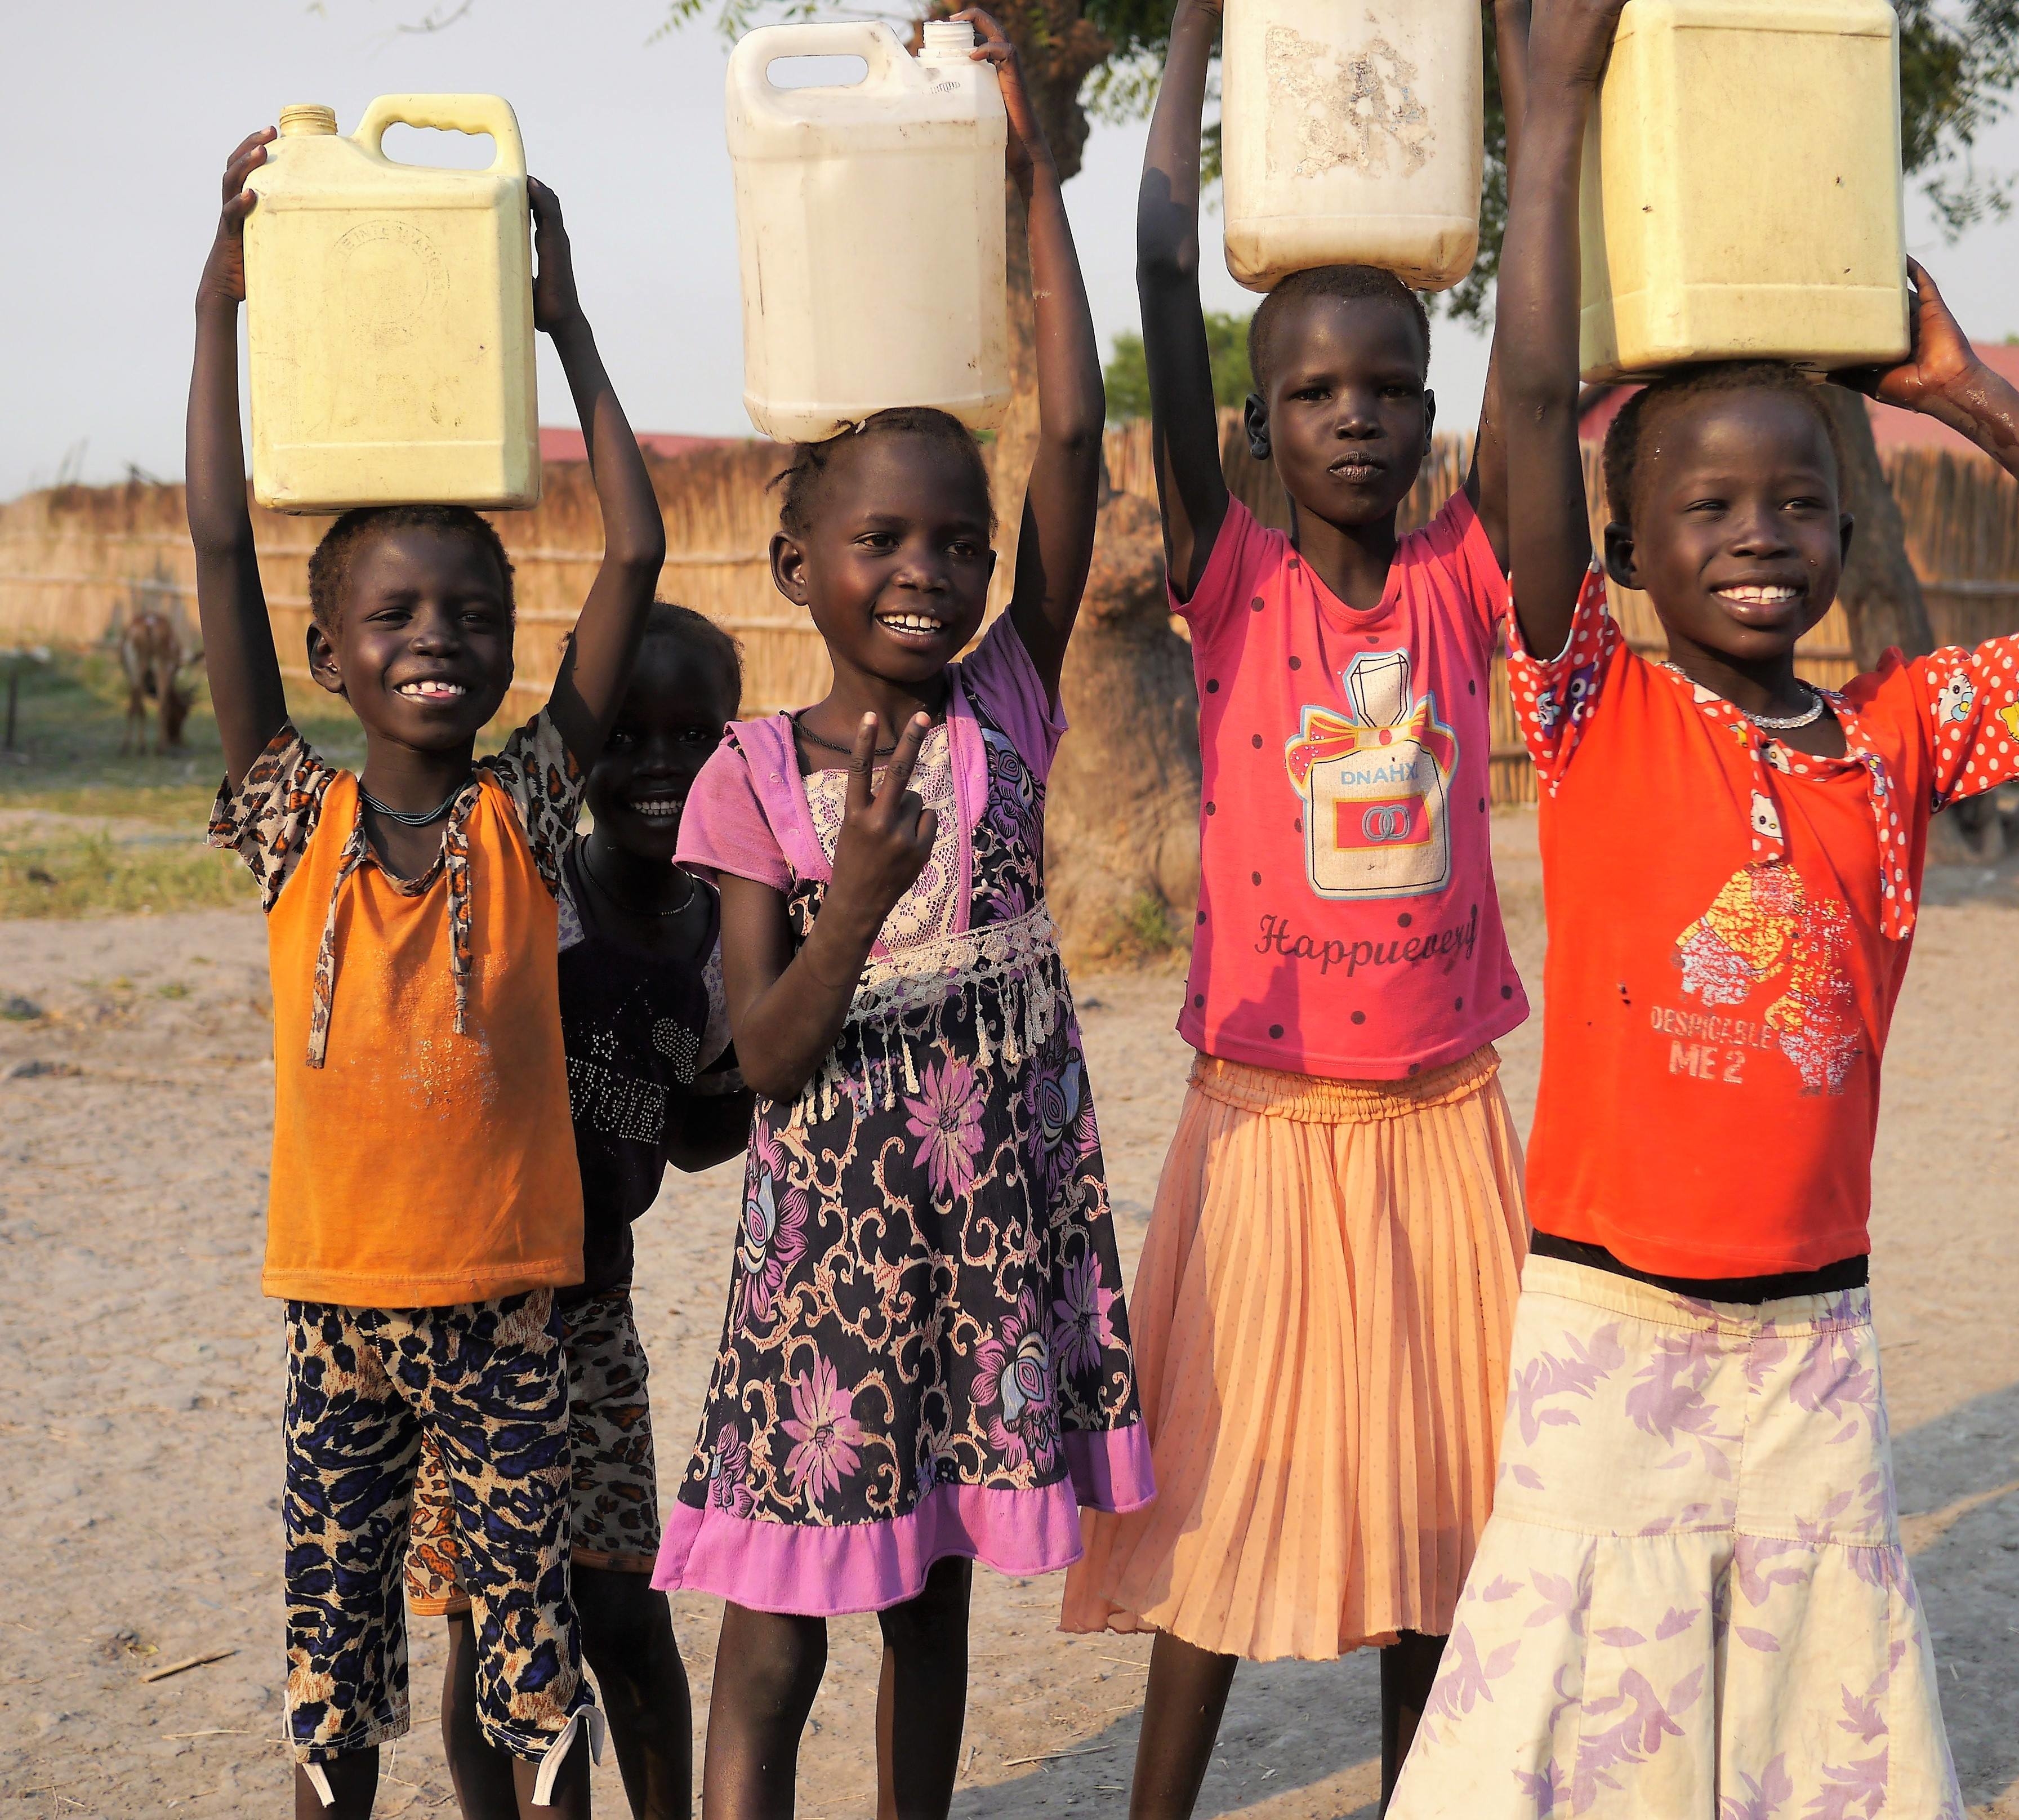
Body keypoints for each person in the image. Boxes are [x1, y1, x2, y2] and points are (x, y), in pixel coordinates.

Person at [1387, 0, 2019, 1808]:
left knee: (1804, 1723)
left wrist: (1964, 396)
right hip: (1610, 1323)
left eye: (1797, 504)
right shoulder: (1593, 709)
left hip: (1814, 1330)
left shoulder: (1899, 732)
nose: (1756, 534)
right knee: (1582, 1711)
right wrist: (1550, 107)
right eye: (1707, 504)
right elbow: (1516, 426)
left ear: (1842, 532)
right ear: (1626, 542)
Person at [652, 14, 1151, 1818]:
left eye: (957, 543)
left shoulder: (1006, 702)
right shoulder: (752, 779)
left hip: (990, 1217)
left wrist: (1027, 170)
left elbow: (1077, 430)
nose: (928, 573)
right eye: (882, 543)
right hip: (832, 1254)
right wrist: (853, 894)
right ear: (800, 568)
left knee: (934, 1594)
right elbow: (768, 1059)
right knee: (778, 1623)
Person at [1057, 1, 1549, 1813]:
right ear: (1252, 426)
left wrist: (1529, 91)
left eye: (1390, 388)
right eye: (1312, 393)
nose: (1356, 415)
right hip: (1262, 1121)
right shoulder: (1233, 579)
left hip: (1442, 1122)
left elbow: (1546, 371)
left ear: (1428, 410)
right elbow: (1164, 251)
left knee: (1440, 1504)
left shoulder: (1471, 570)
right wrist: (1192, 32)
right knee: (1225, 1490)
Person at [188, 126, 666, 1819]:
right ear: (330, 655)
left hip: (511, 1315)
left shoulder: (527, 816)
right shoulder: (284, 821)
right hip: (335, 1327)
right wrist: (217, 314)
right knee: (334, 1687)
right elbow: (221, 556)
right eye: (394, 617)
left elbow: (631, 556)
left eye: (470, 614)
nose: (437, 641)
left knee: (534, 1682)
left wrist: (567, 326)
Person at [404, 605, 754, 1820]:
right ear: (575, 754)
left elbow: (707, 1117)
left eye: (693, 734)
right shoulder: (527, 896)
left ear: (736, 741)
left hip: (593, 1318)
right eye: (626, 733)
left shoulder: (722, 936)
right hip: (463, 1319)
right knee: (484, 1632)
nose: (660, 764)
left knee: (621, 1611)